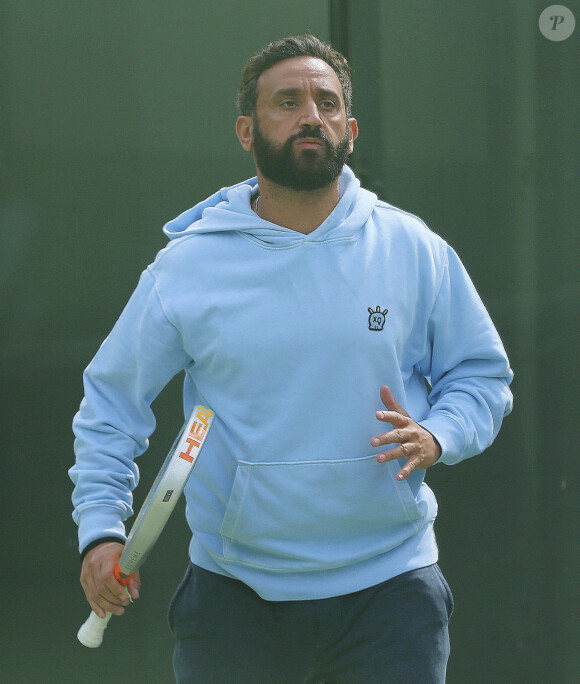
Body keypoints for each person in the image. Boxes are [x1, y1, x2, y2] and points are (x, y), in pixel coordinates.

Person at [70, 35, 513, 683]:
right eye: (288, 101)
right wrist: (100, 529)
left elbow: (480, 376)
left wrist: (440, 434)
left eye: (327, 103)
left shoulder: (413, 248)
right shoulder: (189, 265)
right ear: (247, 131)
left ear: (350, 130)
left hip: (392, 593)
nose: (312, 115)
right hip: (233, 598)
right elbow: (112, 403)